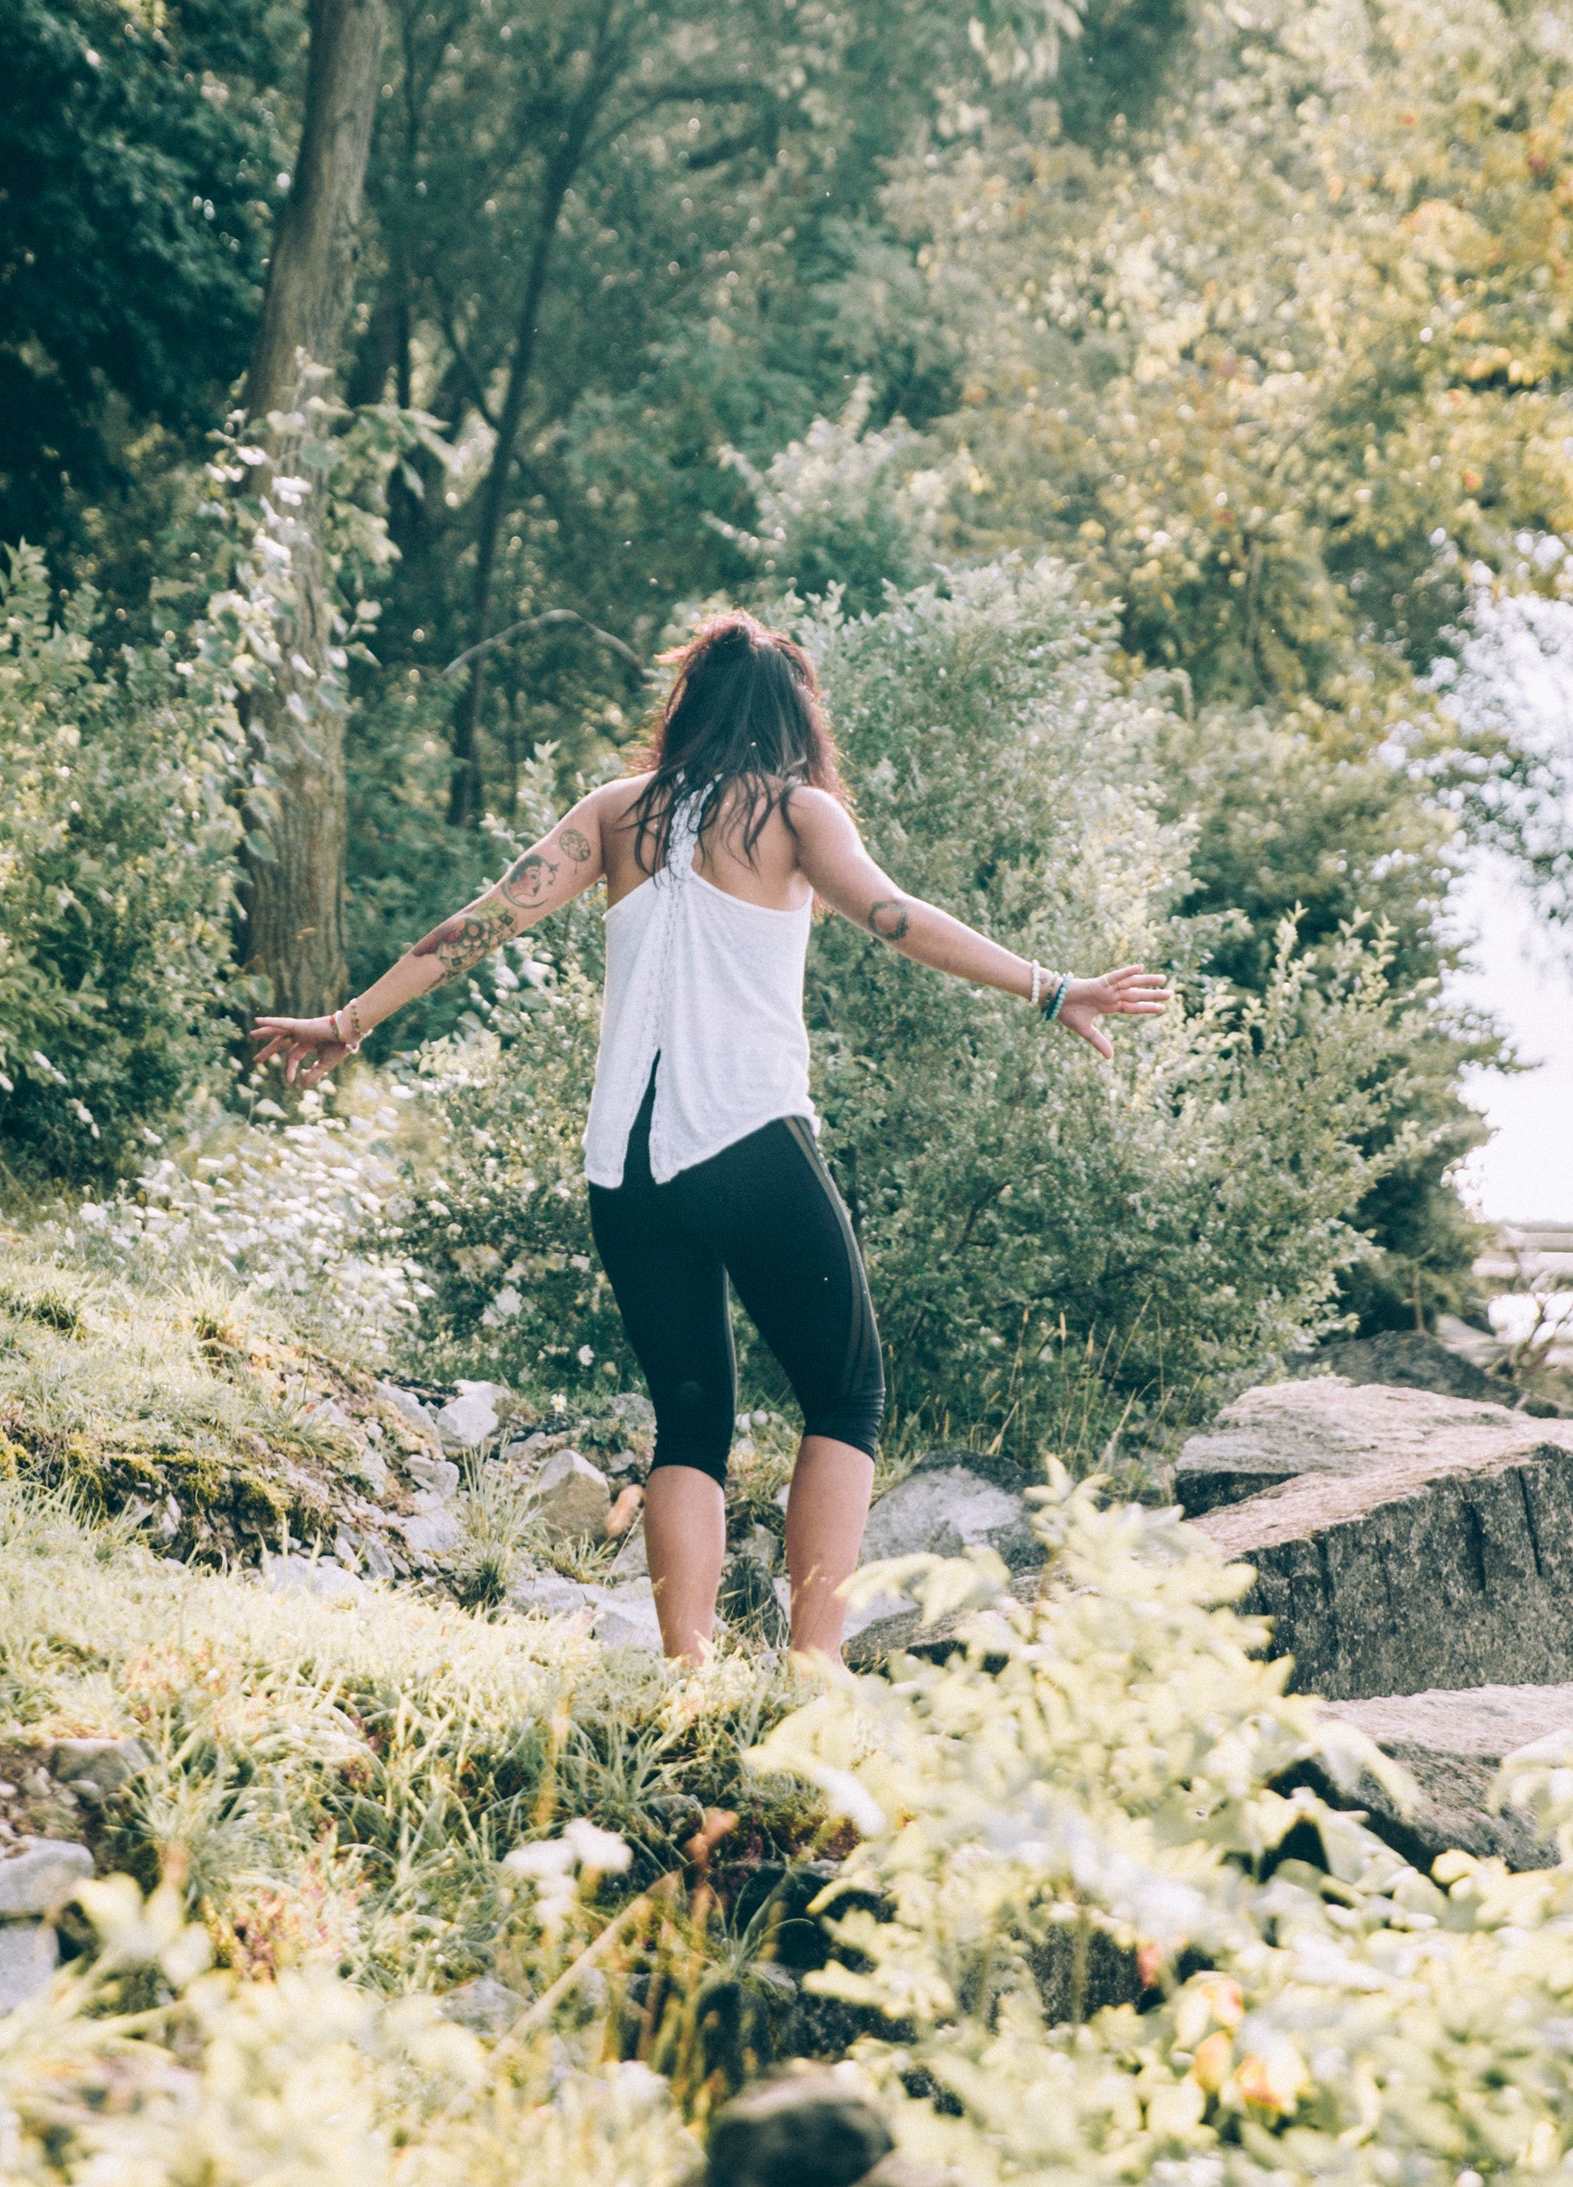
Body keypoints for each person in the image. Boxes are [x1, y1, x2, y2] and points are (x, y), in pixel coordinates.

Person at [250, 615, 1166, 1663]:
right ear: (794, 719)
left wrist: (348, 1019)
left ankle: (687, 1674)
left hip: (624, 1167)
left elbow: (472, 926)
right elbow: (894, 915)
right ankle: (810, 1671)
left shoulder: (611, 813)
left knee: (691, 1425)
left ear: (684, 709)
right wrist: (1053, 990)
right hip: (745, 1139)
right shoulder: (795, 812)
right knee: (846, 1392)